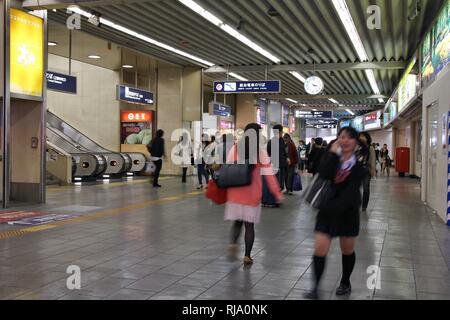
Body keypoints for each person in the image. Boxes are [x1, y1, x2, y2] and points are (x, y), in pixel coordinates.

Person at [305, 126, 364, 300]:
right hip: (327, 212)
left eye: (349, 138)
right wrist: (331, 153)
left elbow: (352, 192)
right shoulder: (331, 158)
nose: (345, 141)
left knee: (347, 250)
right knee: (320, 249)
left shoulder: (359, 164)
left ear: (355, 142)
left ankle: (345, 282)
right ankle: (315, 288)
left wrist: (333, 206)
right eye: (342, 137)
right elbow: (323, 173)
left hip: (348, 212)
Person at [225, 123, 283, 265]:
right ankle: (247, 256)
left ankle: (233, 244)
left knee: (237, 223)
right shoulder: (260, 151)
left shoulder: (235, 148)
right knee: (249, 226)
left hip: (235, 193)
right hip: (251, 194)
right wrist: (277, 194)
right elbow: (269, 175)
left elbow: (227, 167)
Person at [357, 132, 376, 212]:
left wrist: (373, 169)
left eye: (363, 136)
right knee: (355, 188)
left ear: (367, 138)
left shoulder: (370, 148)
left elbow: (373, 159)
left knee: (366, 188)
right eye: (360, 136)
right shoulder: (357, 147)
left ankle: (364, 205)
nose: (362, 138)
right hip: (357, 170)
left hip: (366, 171)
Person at [267, 124, 288, 191]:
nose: (282, 133)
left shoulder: (282, 140)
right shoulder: (271, 141)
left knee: (281, 180)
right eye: (281, 131)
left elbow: (284, 151)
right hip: (274, 164)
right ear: (279, 132)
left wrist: (287, 158)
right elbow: (268, 153)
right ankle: (276, 192)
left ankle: (279, 190)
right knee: (276, 180)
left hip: (282, 163)